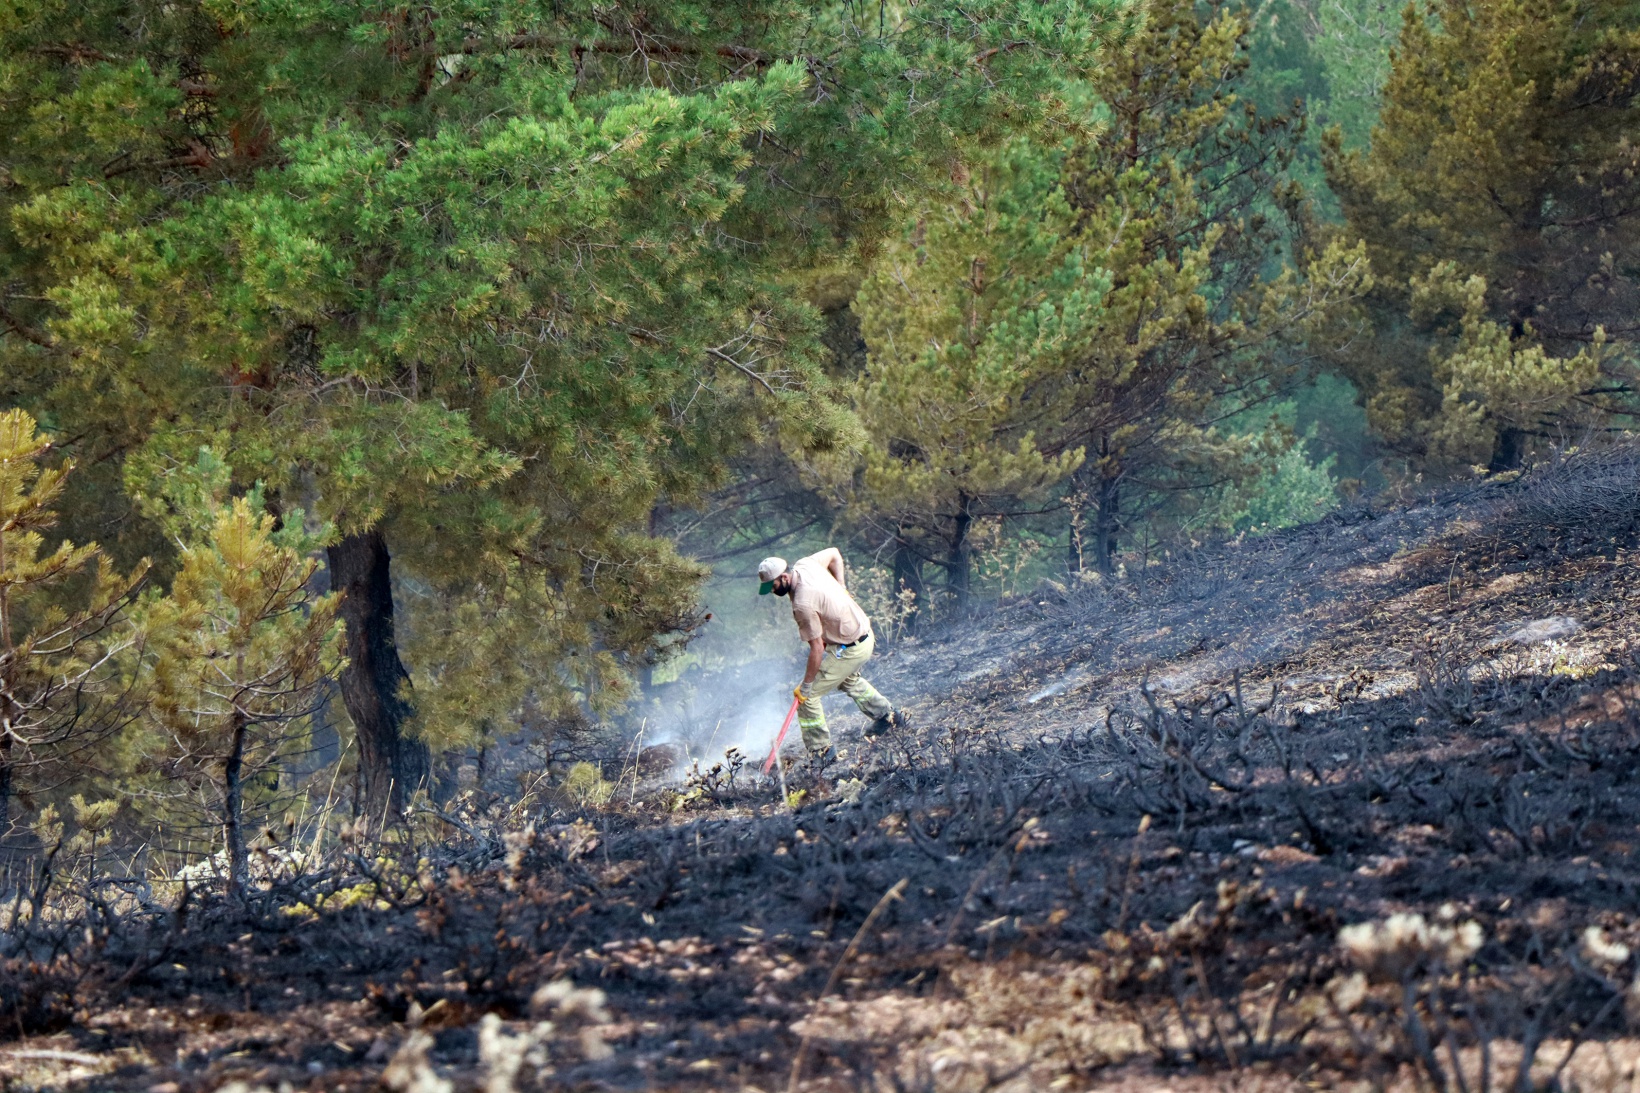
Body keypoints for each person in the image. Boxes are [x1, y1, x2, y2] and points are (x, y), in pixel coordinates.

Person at [758, 549, 907, 766]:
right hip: (862, 633)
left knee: (807, 699)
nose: (771, 590)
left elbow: (817, 649)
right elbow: (835, 554)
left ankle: (822, 752)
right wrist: (842, 586)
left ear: (784, 577)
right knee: (849, 680)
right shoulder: (805, 564)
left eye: (772, 585)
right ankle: (889, 717)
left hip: (852, 647)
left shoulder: (802, 604)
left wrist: (807, 685)